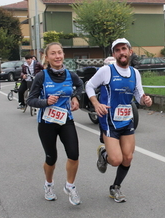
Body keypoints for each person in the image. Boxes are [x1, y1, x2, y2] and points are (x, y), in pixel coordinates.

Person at [85, 38, 153, 203]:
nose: (121, 52)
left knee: (128, 157)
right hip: (109, 121)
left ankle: (115, 187)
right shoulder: (106, 71)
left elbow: (138, 95)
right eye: (117, 50)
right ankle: (104, 153)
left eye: (124, 49)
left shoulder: (135, 73)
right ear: (114, 54)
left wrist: (145, 100)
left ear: (130, 51)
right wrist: (96, 103)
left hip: (127, 119)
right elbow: (89, 85)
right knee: (116, 160)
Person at [27, 42, 84, 205]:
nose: (57, 56)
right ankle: (48, 184)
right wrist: (46, 102)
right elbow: (30, 100)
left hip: (66, 120)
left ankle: (70, 186)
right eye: (53, 53)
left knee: (74, 155)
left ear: (63, 55)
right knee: (51, 158)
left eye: (60, 52)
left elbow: (79, 85)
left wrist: (75, 97)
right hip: (47, 122)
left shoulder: (70, 75)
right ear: (47, 57)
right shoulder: (41, 76)